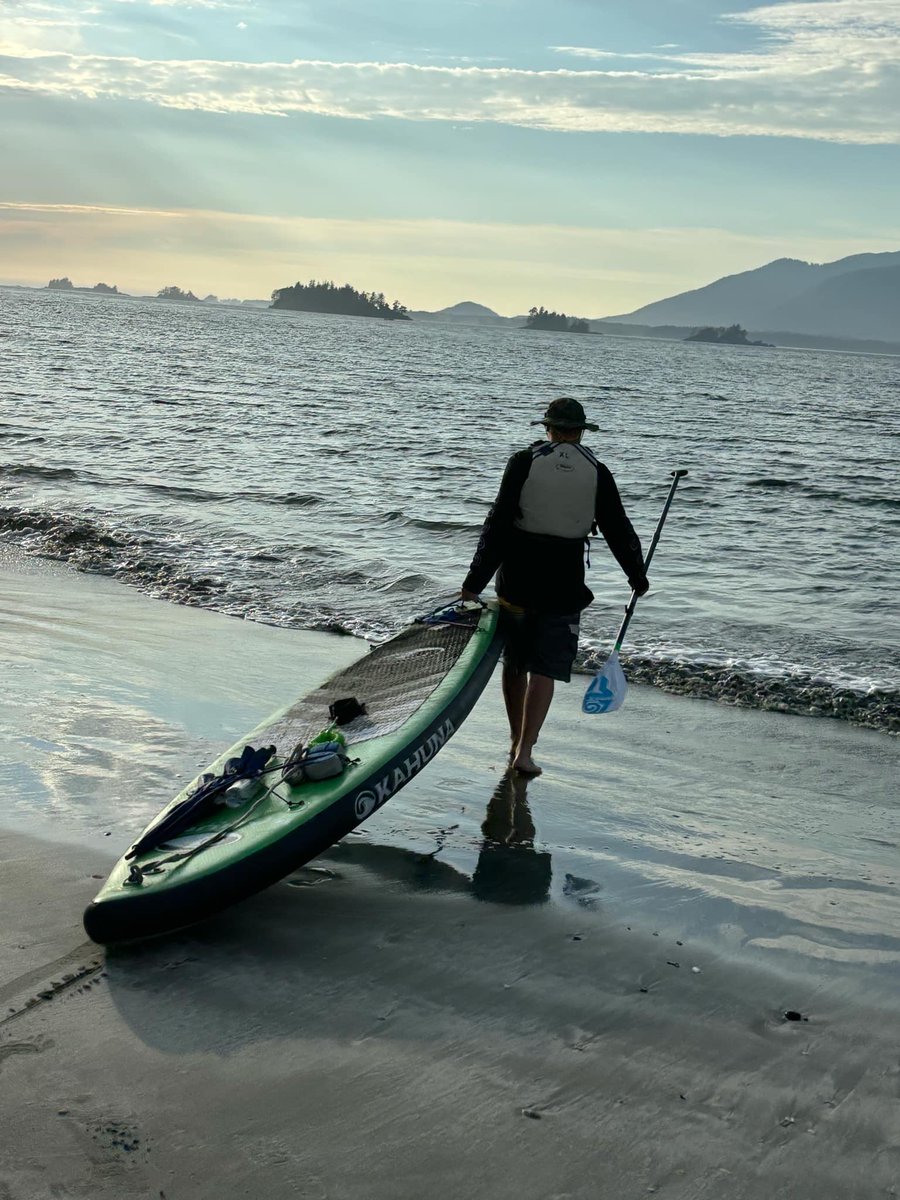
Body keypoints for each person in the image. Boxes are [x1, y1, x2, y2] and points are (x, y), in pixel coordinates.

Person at [461, 396, 648, 776]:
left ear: (548, 428)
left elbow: (496, 525)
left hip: (517, 579)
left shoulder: (523, 462)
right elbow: (617, 528)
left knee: (515, 663)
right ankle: (524, 752)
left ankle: (514, 738)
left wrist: (473, 582)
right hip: (563, 584)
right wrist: (637, 574)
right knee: (544, 668)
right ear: (580, 432)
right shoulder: (598, 471)